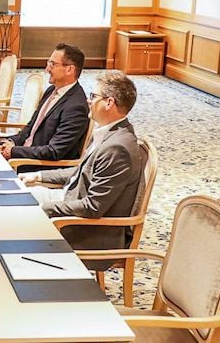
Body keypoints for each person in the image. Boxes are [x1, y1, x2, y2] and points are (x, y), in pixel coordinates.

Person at [19, 71, 142, 258]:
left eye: (93, 96)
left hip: (87, 232)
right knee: (12, 196)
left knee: (17, 212)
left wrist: (45, 208)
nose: (88, 100)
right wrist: (38, 176)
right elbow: (81, 171)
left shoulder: (118, 148)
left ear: (109, 102)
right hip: (70, 198)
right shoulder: (109, 132)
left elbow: (93, 207)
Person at [0, 43, 89, 163]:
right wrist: (10, 142)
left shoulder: (76, 107)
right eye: (48, 63)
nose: (47, 69)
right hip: (22, 154)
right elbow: (31, 128)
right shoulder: (51, 90)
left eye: (53, 64)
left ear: (70, 69)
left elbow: (54, 151)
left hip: (33, 164)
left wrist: (14, 151)